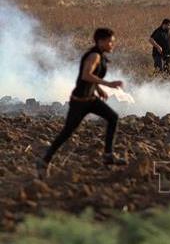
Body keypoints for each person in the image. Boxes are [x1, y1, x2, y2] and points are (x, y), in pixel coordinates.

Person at [36, 28, 126, 179]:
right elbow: (86, 75)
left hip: (91, 99)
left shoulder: (99, 55)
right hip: (79, 102)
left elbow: (92, 76)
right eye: (110, 42)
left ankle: (108, 155)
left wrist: (98, 90)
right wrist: (108, 84)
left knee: (113, 117)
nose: (112, 45)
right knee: (67, 132)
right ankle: (44, 160)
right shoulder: (94, 56)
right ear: (101, 41)